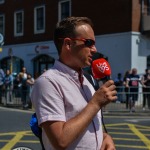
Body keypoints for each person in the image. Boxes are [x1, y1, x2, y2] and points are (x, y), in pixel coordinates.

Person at [31, 16, 117, 150]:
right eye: (89, 43)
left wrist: (105, 138)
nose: (94, 49)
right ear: (68, 44)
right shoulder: (47, 82)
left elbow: (88, 126)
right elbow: (60, 141)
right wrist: (95, 103)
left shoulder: (88, 79)